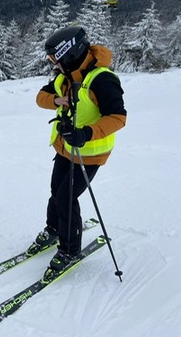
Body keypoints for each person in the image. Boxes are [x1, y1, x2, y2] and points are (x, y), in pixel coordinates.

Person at [30, 26, 127, 276]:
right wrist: (57, 100)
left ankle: (70, 249)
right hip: (64, 148)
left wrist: (86, 133)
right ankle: (54, 229)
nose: (53, 65)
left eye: (55, 59)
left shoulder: (102, 79)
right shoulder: (67, 75)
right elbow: (41, 97)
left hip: (89, 153)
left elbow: (118, 117)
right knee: (55, 191)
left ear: (70, 53)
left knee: (66, 198)